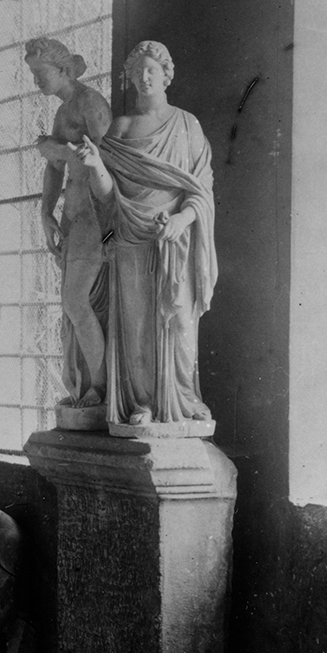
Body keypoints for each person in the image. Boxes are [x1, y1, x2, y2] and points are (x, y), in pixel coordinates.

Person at [76, 40, 217, 430]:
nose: (144, 77)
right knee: (136, 327)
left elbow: (200, 190)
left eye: (152, 69)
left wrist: (181, 220)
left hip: (175, 241)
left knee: (179, 327)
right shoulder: (119, 129)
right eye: (137, 71)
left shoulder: (187, 125)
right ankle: (143, 404)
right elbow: (108, 199)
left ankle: (184, 400)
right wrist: (94, 166)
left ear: (166, 73)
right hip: (129, 241)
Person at [29, 37, 113, 415]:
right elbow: (55, 167)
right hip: (73, 217)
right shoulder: (64, 112)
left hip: (97, 218)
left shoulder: (90, 103)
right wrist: (46, 213)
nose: (35, 81)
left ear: (62, 69)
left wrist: (56, 149)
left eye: (39, 73)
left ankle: (103, 388)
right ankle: (83, 387)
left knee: (76, 302)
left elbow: (109, 160)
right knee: (71, 308)